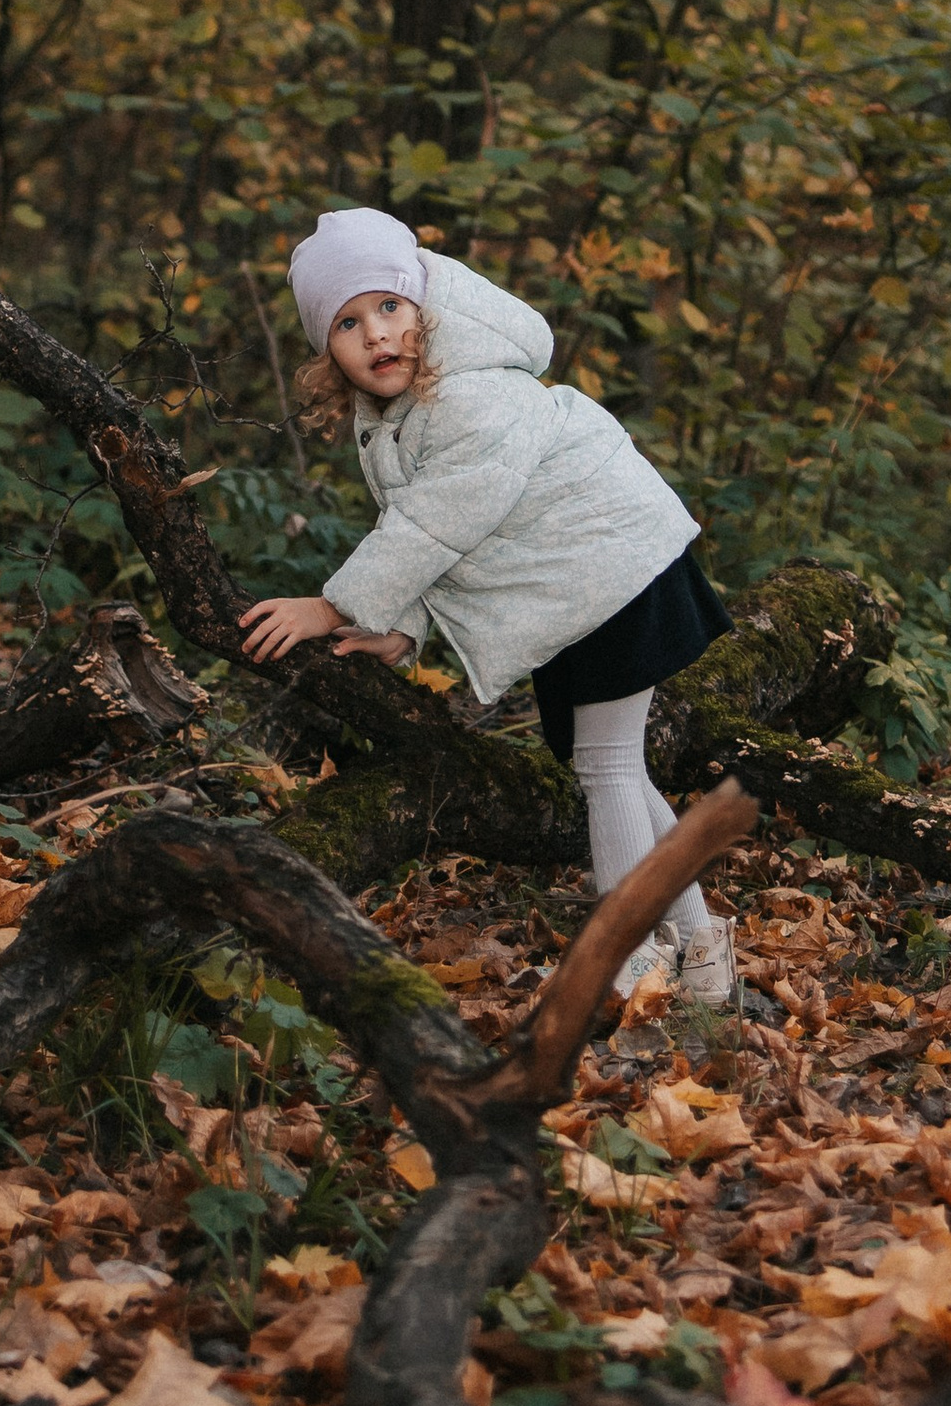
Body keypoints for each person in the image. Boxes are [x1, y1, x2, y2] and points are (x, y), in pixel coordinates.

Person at [238, 206, 738, 1002]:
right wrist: (401, 625)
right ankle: (702, 950)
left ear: (425, 305)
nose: (377, 335)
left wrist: (333, 608)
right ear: (325, 351)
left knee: (604, 767)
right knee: (619, 769)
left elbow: (443, 521)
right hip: (572, 583)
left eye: (390, 307)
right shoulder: (394, 415)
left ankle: (623, 970)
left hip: (612, 568)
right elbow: (436, 529)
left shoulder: (472, 393)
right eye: (348, 322)